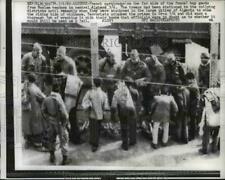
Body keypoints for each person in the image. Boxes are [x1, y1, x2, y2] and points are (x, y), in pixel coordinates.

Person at [41, 75, 71, 165]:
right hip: (59, 122)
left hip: (51, 121)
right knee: (63, 140)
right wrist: (66, 123)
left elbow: (43, 111)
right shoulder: (57, 97)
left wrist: (48, 118)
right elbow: (64, 113)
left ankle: (52, 155)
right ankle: (65, 158)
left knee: (51, 139)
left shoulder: (46, 98)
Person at [81, 78, 110, 152]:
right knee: (97, 128)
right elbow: (106, 105)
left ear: (94, 83)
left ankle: (93, 143)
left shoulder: (90, 92)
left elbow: (84, 102)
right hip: (100, 114)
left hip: (92, 113)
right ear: (100, 84)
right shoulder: (103, 93)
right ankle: (95, 143)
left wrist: (89, 104)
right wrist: (103, 111)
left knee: (92, 128)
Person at [111, 81, 137, 150]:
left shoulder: (116, 92)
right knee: (132, 125)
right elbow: (134, 99)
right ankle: (132, 141)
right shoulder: (129, 90)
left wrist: (113, 114)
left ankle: (125, 145)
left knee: (124, 128)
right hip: (131, 110)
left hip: (123, 111)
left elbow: (113, 105)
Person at [25, 73, 46, 148]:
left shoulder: (28, 88)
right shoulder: (36, 88)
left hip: (29, 109)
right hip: (36, 108)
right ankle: (37, 141)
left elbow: (25, 99)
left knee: (30, 124)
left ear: (28, 80)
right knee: (37, 124)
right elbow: (44, 97)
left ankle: (30, 140)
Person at [199, 87, 220, 154]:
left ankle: (204, 149)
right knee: (215, 134)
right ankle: (214, 148)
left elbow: (214, 107)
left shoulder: (208, 93)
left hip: (210, 118)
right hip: (218, 119)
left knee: (206, 134)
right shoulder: (219, 93)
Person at [185, 72, 200, 140]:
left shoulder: (194, 84)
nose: (187, 81)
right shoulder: (192, 83)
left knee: (192, 120)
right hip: (192, 103)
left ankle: (192, 135)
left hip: (195, 104)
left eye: (187, 79)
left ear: (191, 79)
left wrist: (185, 87)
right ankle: (192, 134)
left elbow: (193, 88)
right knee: (192, 120)